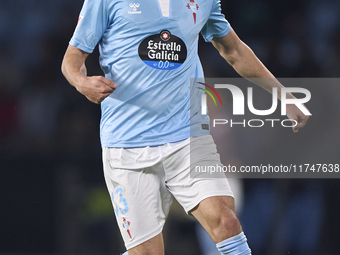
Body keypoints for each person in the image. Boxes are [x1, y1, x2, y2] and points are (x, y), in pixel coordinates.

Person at [61, 0, 310, 254]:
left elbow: (233, 50)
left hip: (187, 136)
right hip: (127, 143)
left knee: (227, 222)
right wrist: (82, 82)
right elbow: (72, 58)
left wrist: (285, 96)